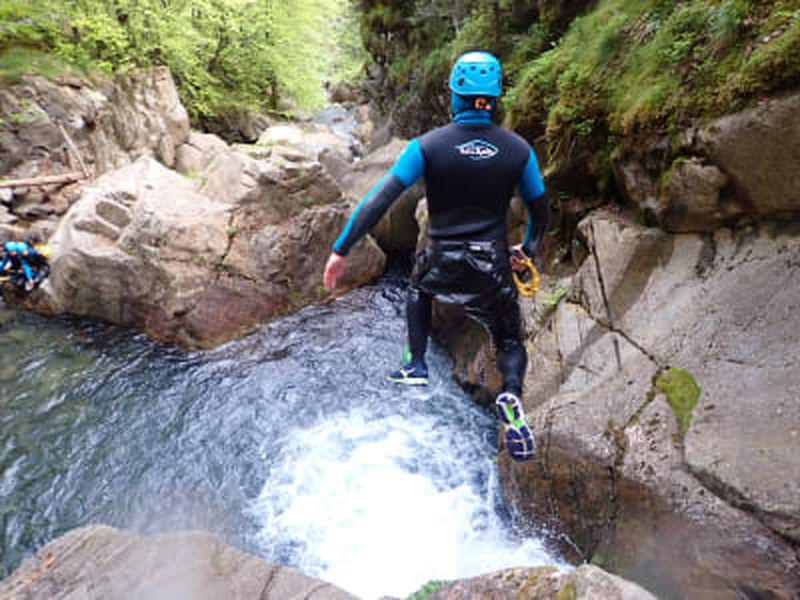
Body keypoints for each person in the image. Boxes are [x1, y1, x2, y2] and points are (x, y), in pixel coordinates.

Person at [322, 51, 549, 462]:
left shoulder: (426, 147)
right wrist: (528, 247)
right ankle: (512, 394)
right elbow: (541, 210)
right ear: (495, 96)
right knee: (509, 338)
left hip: (441, 261)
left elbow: (378, 201)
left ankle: (416, 363)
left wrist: (341, 249)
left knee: (418, 290)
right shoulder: (519, 150)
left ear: (454, 95)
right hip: (492, 266)